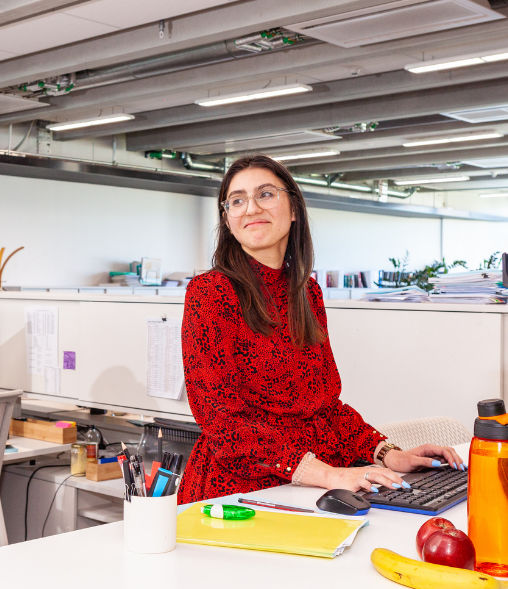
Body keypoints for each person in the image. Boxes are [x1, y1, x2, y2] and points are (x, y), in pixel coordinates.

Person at [178, 155, 465, 504]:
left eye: (265, 194)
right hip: (240, 493)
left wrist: (388, 453)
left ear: (294, 209)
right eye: (237, 200)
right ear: (228, 220)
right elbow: (222, 424)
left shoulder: (305, 292)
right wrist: (328, 474)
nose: (251, 208)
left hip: (312, 482)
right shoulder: (210, 293)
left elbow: (325, 409)